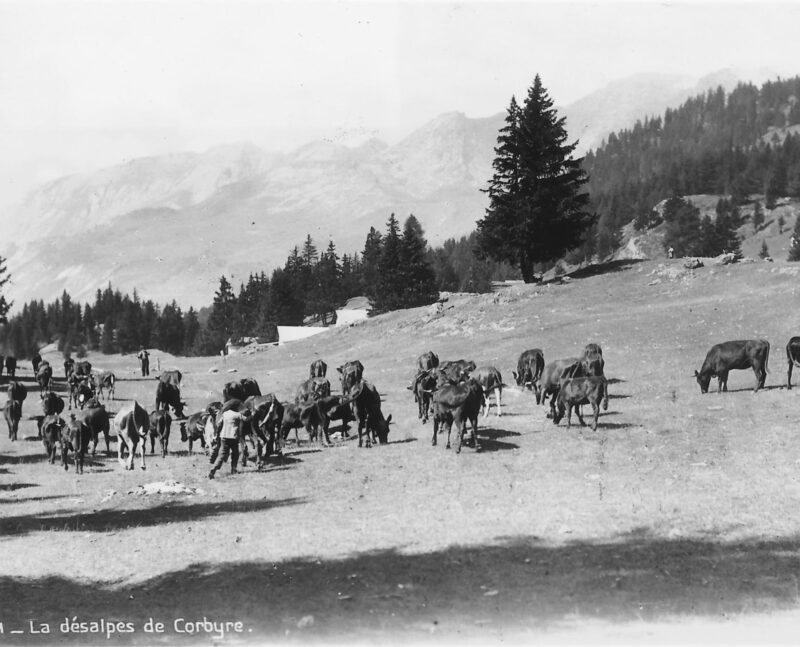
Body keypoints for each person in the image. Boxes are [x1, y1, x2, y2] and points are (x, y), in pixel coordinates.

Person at [209, 404, 250, 479]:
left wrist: (218, 433)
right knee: (235, 454)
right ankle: (233, 469)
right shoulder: (238, 414)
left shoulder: (225, 414)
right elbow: (246, 419)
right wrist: (252, 415)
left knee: (221, 455)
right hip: (233, 437)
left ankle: (213, 469)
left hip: (224, 437)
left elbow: (219, 424)